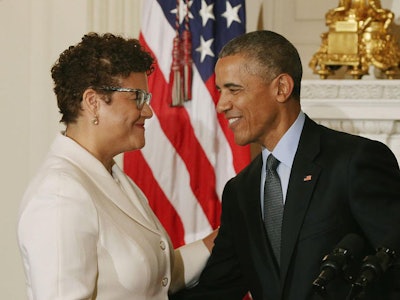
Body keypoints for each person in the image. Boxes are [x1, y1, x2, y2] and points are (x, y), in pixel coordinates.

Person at [171, 30, 400, 300]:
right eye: (220, 91)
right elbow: (218, 288)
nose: (221, 104)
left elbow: (394, 267)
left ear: (281, 88)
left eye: (234, 90)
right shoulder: (240, 190)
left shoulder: (353, 161)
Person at [17, 32, 217, 300]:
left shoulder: (112, 177)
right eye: (137, 97)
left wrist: (225, 236)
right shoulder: (60, 193)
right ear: (93, 102)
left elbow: (159, 277)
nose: (148, 111)